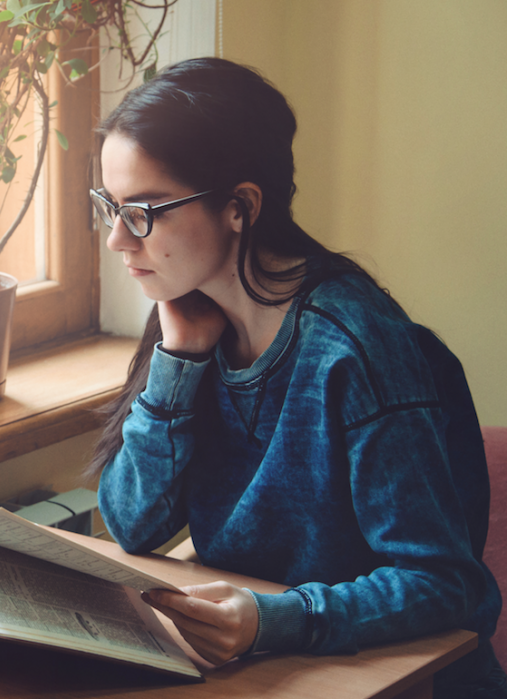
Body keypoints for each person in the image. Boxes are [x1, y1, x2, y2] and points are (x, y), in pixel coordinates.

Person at [87, 57, 505, 698]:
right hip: (265, 672)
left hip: (390, 682)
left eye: (145, 211)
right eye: (109, 207)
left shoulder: (354, 350)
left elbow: (447, 583)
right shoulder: (187, 314)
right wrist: (178, 362)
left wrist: (275, 621)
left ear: (240, 207)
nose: (118, 239)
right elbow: (131, 525)